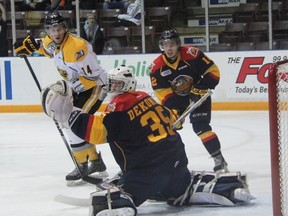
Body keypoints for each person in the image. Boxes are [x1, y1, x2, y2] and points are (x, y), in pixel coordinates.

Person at [41, 66, 254, 215]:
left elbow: (98, 132)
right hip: (178, 166)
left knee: (113, 196)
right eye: (111, 84)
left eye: (117, 84)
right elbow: (170, 118)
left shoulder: (119, 107)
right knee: (180, 186)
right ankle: (224, 188)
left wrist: (68, 115)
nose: (113, 88)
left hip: (146, 174)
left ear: (128, 84)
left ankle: (118, 204)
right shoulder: (147, 97)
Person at [13, 11, 108, 186]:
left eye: (59, 28)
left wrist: (67, 91)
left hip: (95, 88)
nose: (56, 33)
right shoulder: (51, 41)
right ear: (47, 30)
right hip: (77, 88)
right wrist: (29, 46)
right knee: (68, 121)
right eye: (51, 29)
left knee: (72, 121)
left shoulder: (77, 47)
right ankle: (94, 161)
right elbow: (43, 46)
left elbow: (93, 78)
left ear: (64, 28)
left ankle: (83, 164)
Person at [149, 28, 229, 173]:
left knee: (201, 127)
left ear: (178, 44)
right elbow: (163, 93)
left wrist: (200, 88)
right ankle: (169, 165)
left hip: (199, 95)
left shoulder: (192, 54)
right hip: (176, 101)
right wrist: (173, 111)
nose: (169, 48)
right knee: (168, 130)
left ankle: (219, 160)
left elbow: (213, 72)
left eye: (172, 44)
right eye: (165, 45)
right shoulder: (157, 67)